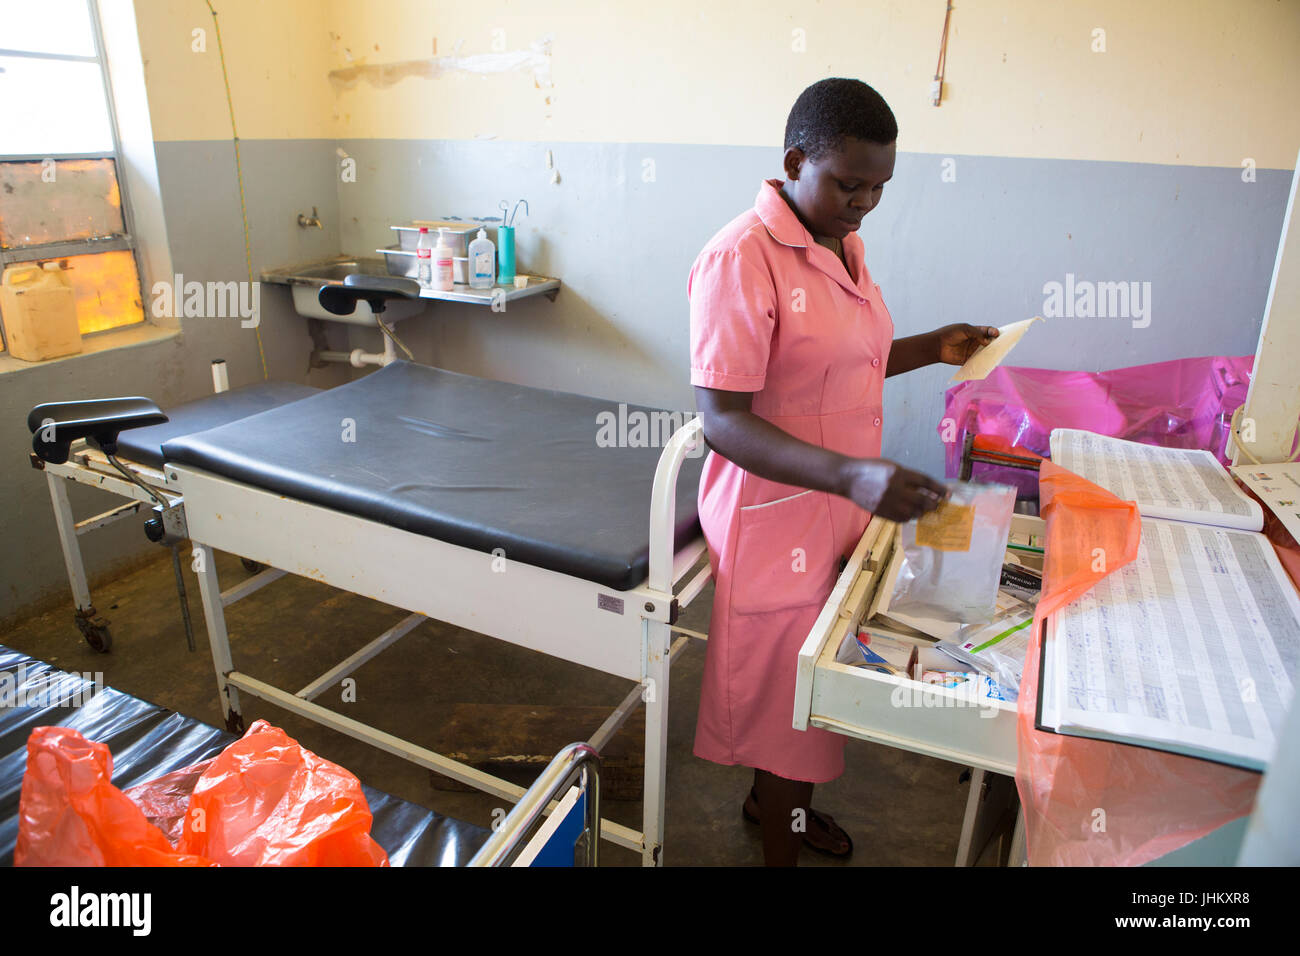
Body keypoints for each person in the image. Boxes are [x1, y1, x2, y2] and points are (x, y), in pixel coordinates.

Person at [688, 77, 999, 866]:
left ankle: (776, 804)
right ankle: (779, 839)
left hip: (836, 498)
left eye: (879, 188)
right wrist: (852, 478)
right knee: (785, 709)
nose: (864, 203)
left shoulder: (839, 244)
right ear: (796, 162)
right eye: (849, 184)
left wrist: (933, 346)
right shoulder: (740, 258)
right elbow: (724, 421)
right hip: (775, 511)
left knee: (817, 685)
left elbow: (842, 366)